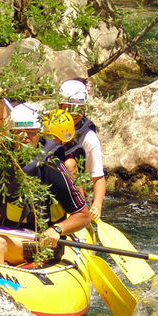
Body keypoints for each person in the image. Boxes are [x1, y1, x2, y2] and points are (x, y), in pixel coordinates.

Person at [0, 102, 92, 265]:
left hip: (41, 240)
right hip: (6, 228)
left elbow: (83, 216)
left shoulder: (52, 166)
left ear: (40, 133)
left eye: (31, 132)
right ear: (11, 134)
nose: (26, 137)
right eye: (19, 132)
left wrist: (57, 230)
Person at [54, 79, 106, 220]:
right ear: (60, 105)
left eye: (80, 108)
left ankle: (79, 212)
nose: (75, 113)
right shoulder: (47, 124)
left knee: (69, 164)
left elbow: (98, 177)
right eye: (71, 107)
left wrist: (97, 205)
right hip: (49, 185)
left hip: (74, 192)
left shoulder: (89, 138)